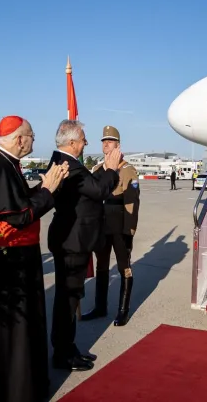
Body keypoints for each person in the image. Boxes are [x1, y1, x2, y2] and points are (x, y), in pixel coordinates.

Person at [0, 116, 69, 402]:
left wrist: (45, 187)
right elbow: (20, 217)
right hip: (8, 261)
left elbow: (20, 201)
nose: (35, 141)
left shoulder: (6, 163)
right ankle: (12, 389)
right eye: (32, 136)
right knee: (12, 329)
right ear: (20, 138)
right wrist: (47, 191)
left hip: (13, 257)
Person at [47, 120, 120, 371]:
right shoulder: (69, 165)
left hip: (71, 239)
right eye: (83, 140)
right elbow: (98, 191)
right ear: (72, 143)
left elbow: (89, 188)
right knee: (67, 299)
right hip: (72, 241)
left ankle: (67, 347)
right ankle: (63, 353)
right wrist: (110, 169)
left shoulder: (65, 162)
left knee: (69, 298)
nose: (85, 144)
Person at [81, 126, 141, 326]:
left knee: (124, 267)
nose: (106, 144)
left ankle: (123, 310)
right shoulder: (98, 170)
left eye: (110, 141)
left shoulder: (128, 170)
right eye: (103, 141)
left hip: (120, 226)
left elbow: (132, 202)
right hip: (101, 227)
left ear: (118, 145)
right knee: (102, 266)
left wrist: (129, 230)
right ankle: (100, 307)